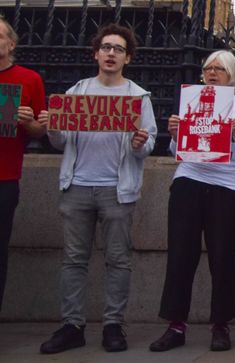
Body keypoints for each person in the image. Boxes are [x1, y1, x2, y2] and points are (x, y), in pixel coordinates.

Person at [38, 24, 157, 354]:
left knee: (118, 261)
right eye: (106, 47)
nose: (111, 53)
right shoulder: (76, 93)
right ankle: (72, 325)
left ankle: (113, 325)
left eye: (118, 49)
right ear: (96, 53)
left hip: (117, 190)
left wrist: (139, 143)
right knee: (74, 260)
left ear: (127, 58)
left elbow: (147, 145)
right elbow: (60, 142)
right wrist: (54, 129)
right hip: (77, 186)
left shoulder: (138, 96)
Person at [149, 51, 235, 353]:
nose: (212, 73)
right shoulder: (192, 99)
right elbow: (177, 152)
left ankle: (221, 324)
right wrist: (174, 135)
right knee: (180, 256)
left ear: (232, 74)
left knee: (222, 259)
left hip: (227, 186)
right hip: (189, 181)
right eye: (208, 68)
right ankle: (175, 325)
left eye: (219, 69)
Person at [0, 17, 46, 314]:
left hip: (4, 178)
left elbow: (41, 130)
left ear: (11, 44)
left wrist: (29, 122)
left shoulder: (28, 80)